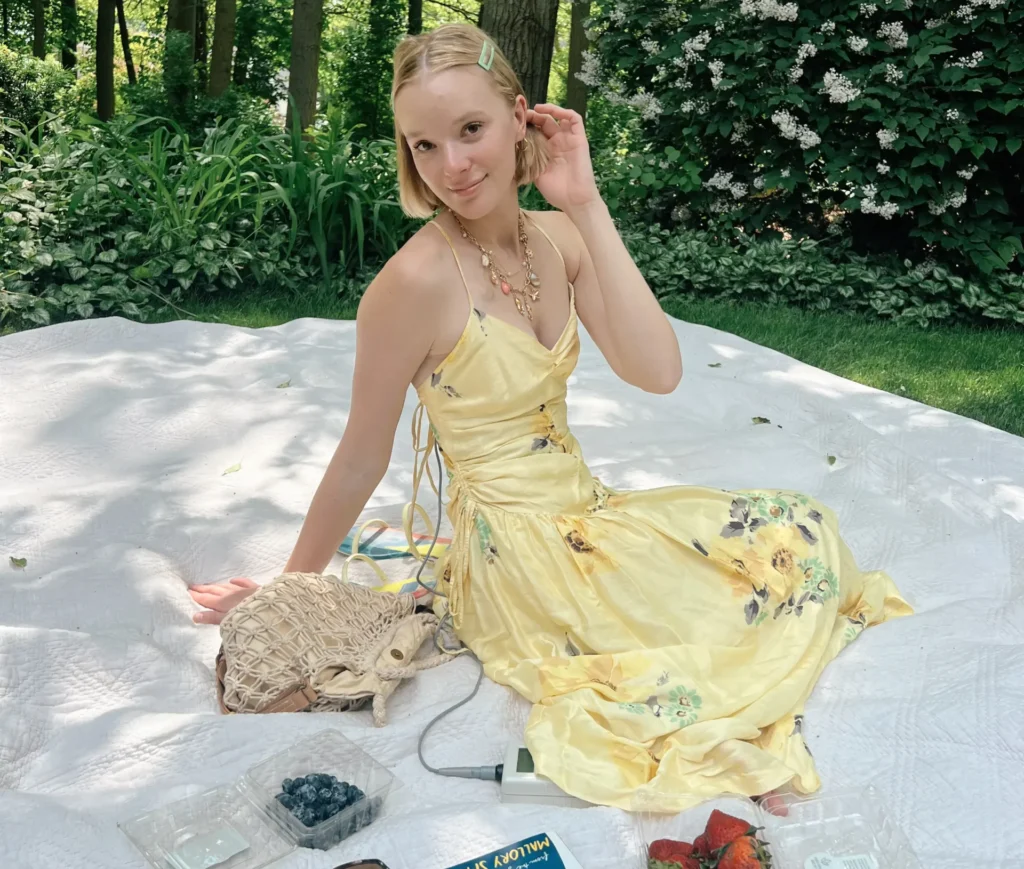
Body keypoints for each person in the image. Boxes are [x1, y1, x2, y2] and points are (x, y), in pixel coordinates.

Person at [188, 22, 912, 813]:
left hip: (587, 509)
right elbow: (362, 454)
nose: (453, 165)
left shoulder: (558, 237)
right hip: (513, 553)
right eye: (424, 145)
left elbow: (658, 370)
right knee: (659, 647)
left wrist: (587, 202)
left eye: (471, 130)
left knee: (796, 532)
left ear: (518, 119)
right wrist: (289, 586)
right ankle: (723, 728)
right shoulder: (412, 285)